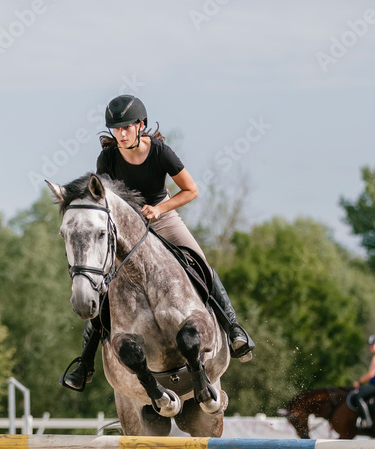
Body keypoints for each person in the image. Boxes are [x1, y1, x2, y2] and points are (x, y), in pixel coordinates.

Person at [60, 94, 255, 392]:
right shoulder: (108, 158)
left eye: (126, 127)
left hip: (161, 218)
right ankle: (85, 362)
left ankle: (234, 329)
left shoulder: (161, 152)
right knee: (104, 286)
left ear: (141, 126)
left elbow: (191, 190)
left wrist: (160, 209)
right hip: (126, 227)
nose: (121, 134)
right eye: (116, 129)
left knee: (200, 262)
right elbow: (103, 201)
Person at [350, 335, 375, 429]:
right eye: (370, 346)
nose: (370, 347)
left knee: (358, 396)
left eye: (373, 345)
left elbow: (371, 374)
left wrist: (359, 382)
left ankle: (367, 420)